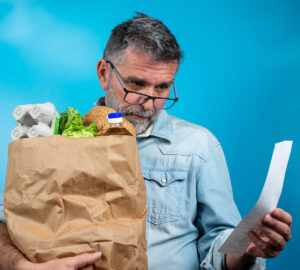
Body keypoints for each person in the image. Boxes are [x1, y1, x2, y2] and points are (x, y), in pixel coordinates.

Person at [0, 12, 292, 270]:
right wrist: (22, 266)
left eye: (163, 87)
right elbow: (9, 226)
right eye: (136, 84)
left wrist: (248, 251)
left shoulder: (198, 147)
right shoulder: (56, 140)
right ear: (104, 73)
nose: (149, 103)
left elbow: (220, 245)